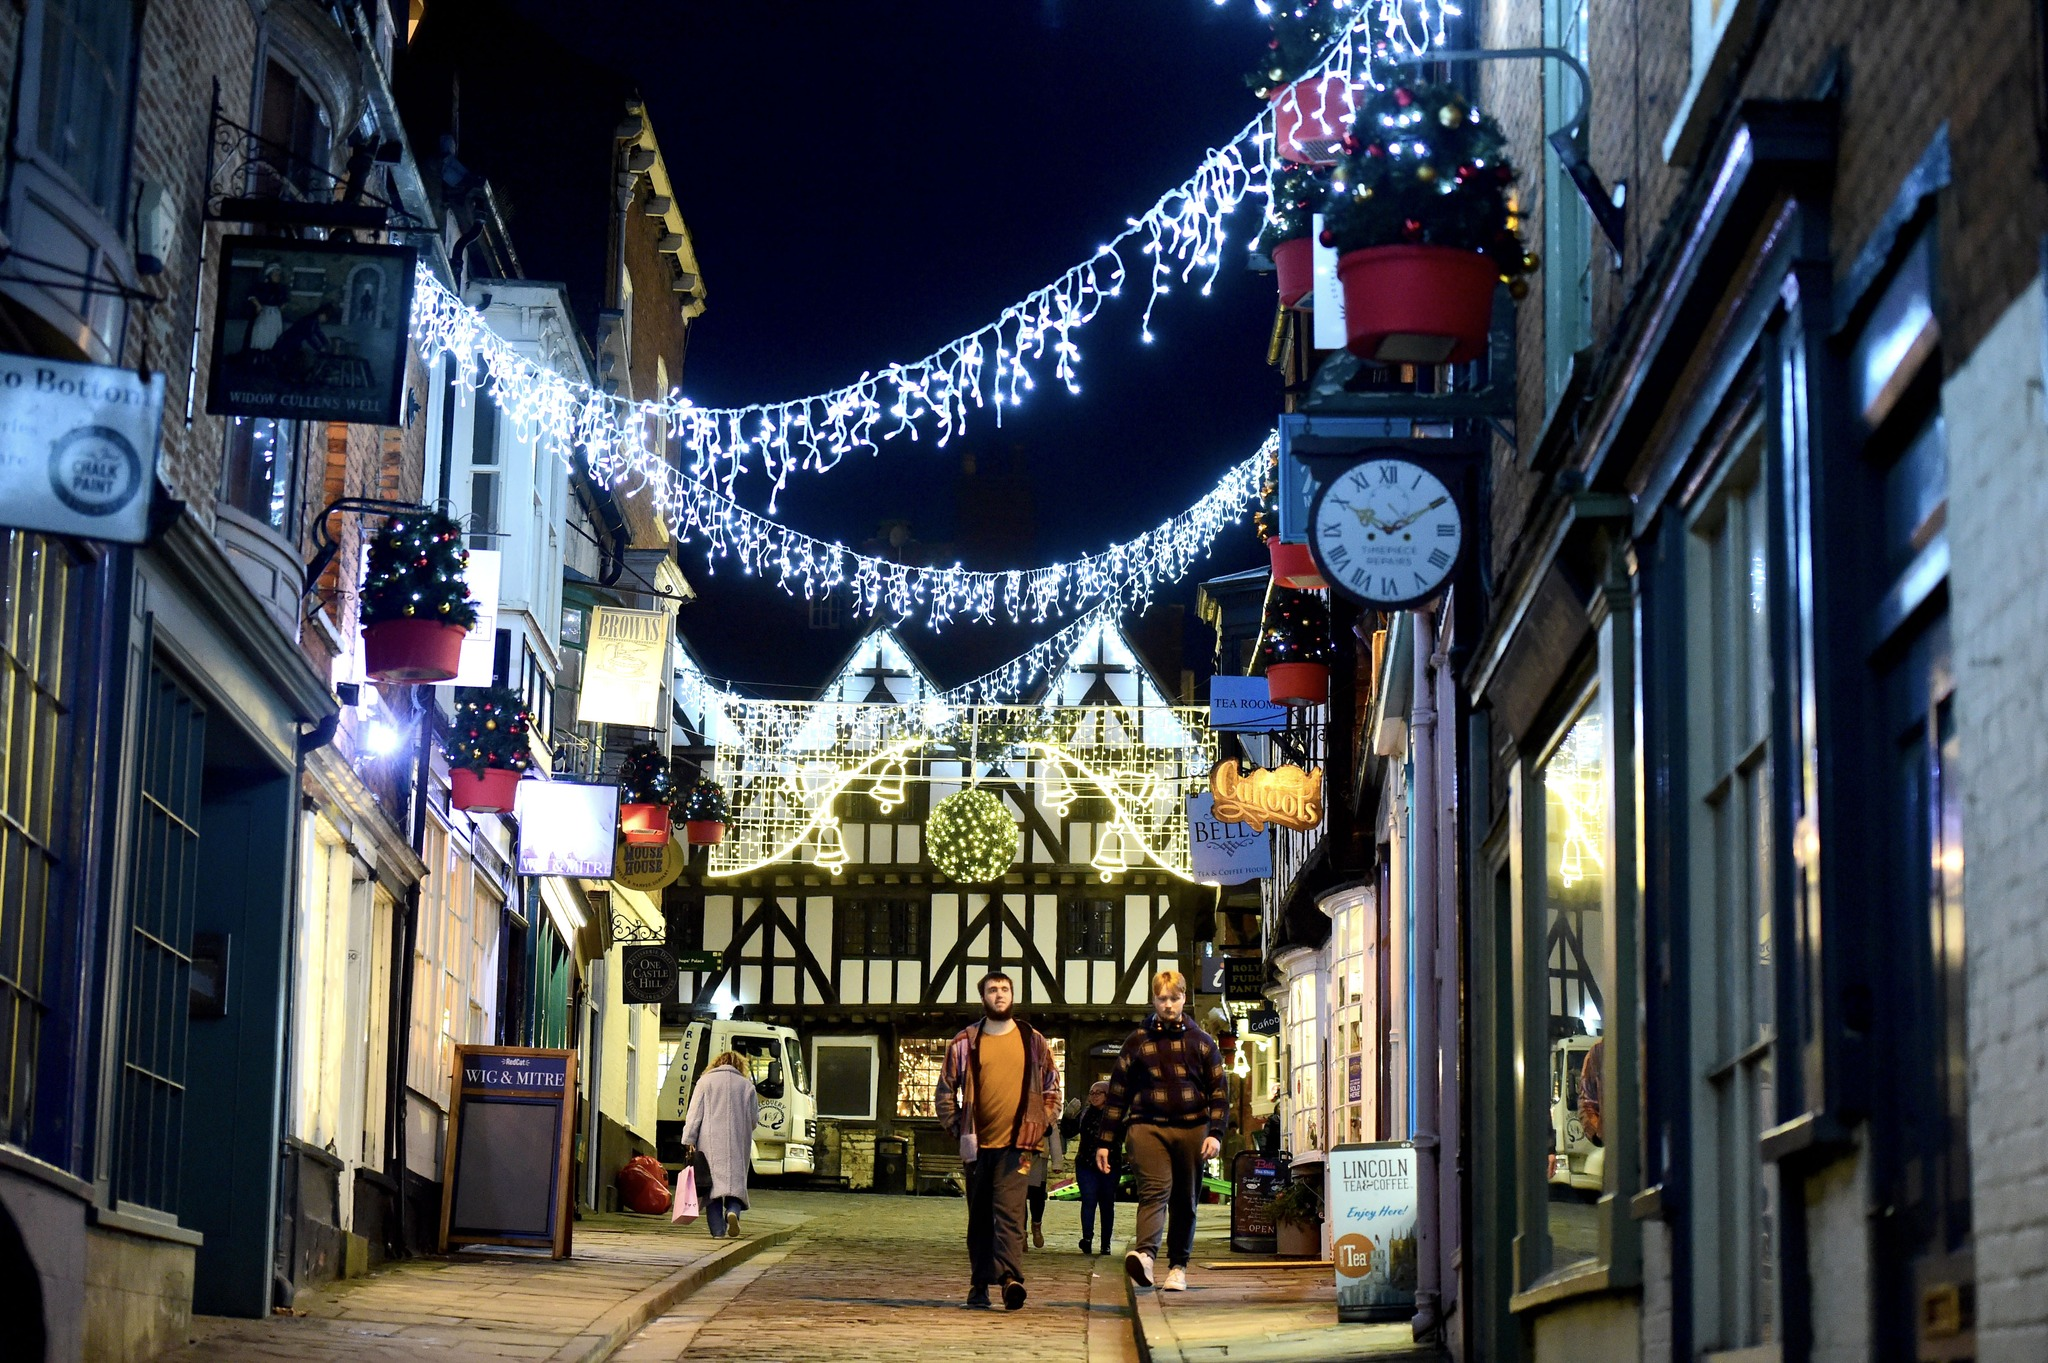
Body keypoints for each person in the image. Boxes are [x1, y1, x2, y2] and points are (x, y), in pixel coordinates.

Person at [935, 971, 1060, 1310]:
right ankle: (979, 1284)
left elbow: (1052, 1087)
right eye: (993, 990)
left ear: (1013, 995)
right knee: (979, 1218)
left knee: (1010, 1213)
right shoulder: (965, 1042)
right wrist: (957, 1128)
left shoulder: (1032, 1040)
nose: (1000, 994)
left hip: (1019, 1145)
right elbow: (945, 1091)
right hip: (977, 1146)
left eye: (1005, 989)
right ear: (983, 998)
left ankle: (1010, 1280)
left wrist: (1043, 1121)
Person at [1098, 969, 1228, 1293]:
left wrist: (1216, 1133)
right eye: (1161, 999)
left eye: (1174, 998)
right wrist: (1106, 1141)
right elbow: (1117, 1093)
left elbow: (1219, 1093)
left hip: (1192, 1128)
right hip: (1147, 1126)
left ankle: (1178, 1267)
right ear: (1153, 1000)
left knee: (1185, 1199)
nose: (1168, 1005)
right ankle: (1144, 1256)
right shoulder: (1138, 1042)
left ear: (1184, 998)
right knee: (1154, 1192)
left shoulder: (1202, 1042)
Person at [680, 1050, 759, 1239]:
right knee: (735, 1186)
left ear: (716, 1063)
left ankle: (718, 1233)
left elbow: (694, 1115)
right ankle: (732, 1211)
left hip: (709, 1144)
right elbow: (754, 1120)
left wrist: (689, 1140)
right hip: (737, 1144)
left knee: (711, 1189)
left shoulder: (705, 1082)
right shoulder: (747, 1086)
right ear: (740, 1066)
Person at [1074, 1080, 1117, 1255]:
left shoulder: (1114, 1114)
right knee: (1088, 1200)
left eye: (1098, 1093)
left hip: (1109, 1165)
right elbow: (1069, 1132)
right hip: (1086, 1163)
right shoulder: (1085, 1113)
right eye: (1092, 1093)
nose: (1094, 1096)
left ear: (1107, 1096)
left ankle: (1105, 1243)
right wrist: (1069, 1117)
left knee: (1107, 1204)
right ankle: (1087, 1239)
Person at [1024, 1104, 1064, 1249]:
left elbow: (1053, 1135)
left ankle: (1036, 1225)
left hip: (1039, 1155)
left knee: (1037, 1195)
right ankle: (1021, 1232)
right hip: (1022, 1155)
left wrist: (1057, 1162)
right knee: (1019, 1194)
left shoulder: (1047, 1107)